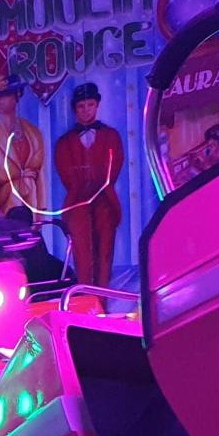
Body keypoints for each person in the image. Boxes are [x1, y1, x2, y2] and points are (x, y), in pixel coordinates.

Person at [52, 83, 124, 287]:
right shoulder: (64, 142)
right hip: (77, 202)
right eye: (81, 106)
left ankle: (103, 297)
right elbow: (65, 172)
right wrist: (80, 187)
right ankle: (86, 296)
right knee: (82, 253)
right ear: (75, 109)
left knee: (105, 250)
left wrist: (101, 184)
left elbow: (114, 167)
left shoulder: (111, 136)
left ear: (97, 105)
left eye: (90, 105)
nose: (86, 110)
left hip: (105, 200)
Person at [0, 77, 48, 214]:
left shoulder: (34, 133)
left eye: (4, 95)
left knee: (28, 184)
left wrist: (42, 211)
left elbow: (41, 176)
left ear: (17, 95)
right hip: (5, 204)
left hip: (31, 202)